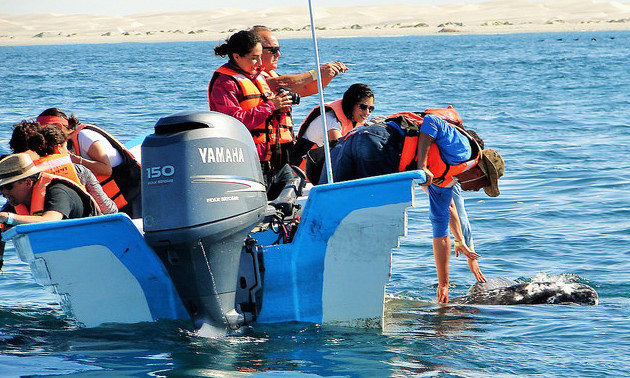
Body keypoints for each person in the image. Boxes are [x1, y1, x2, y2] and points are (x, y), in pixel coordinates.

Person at [327, 107, 504, 303]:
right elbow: (432, 122)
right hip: (378, 144)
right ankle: (359, 289)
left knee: (336, 210)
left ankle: (334, 279)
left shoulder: (443, 185)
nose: (478, 191)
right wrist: (422, 166)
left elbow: (440, 232)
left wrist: (443, 284)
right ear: (480, 174)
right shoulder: (463, 150)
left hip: (353, 141)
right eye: (483, 186)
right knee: (374, 220)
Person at [208, 29, 295, 191]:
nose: (260, 63)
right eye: (254, 58)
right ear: (236, 57)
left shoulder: (259, 76)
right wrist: (271, 105)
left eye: (261, 56)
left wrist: (281, 105)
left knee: (291, 203)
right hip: (251, 163)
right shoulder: (225, 83)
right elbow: (233, 123)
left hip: (279, 162)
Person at [36, 108, 141, 218]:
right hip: (115, 200)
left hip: (133, 191)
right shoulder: (67, 144)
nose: (44, 136)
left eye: (45, 130)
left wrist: (77, 161)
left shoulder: (85, 136)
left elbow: (106, 169)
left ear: (59, 127)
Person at [291, 83, 375, 183]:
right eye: (363, 107)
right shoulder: (332, 120)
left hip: (320, 167)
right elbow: (338, 151)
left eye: (371, 109)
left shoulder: (354, 119)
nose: (367, 113)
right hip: (303, 172)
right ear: (351, 104)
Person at [33, 125, 118, 215]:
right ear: (58, 148)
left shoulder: (31, 172)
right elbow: (106, 208)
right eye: (66, 147)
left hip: (42, 220)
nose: (69, 151)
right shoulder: (80, 171)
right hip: (80, 222)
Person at [0, 153, 100, 226]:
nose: (4, 192)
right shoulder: (15, 204)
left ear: (28, 182)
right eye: (0, 188)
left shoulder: (58, 191)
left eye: (8, 186)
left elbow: (51, 220)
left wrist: (8, 217)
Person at [250, 25, 348, 97]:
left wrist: (330, 73)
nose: (278, 54)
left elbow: (307, 88)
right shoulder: (249, 75)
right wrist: (317, 73)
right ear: (258, 49)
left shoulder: (271, 74)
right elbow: (279, 83)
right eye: (274, 50)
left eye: (279, 49)